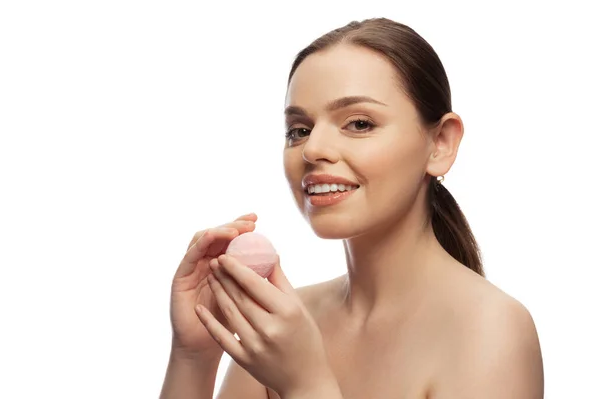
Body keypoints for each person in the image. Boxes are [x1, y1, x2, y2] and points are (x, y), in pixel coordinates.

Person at [159, 17, 544, 399]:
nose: (312, 150)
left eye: (358, 123)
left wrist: (305, 385)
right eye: (299, 130)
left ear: (440, 143)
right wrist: (193, 355)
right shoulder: (287, 321)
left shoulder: (490, 328)